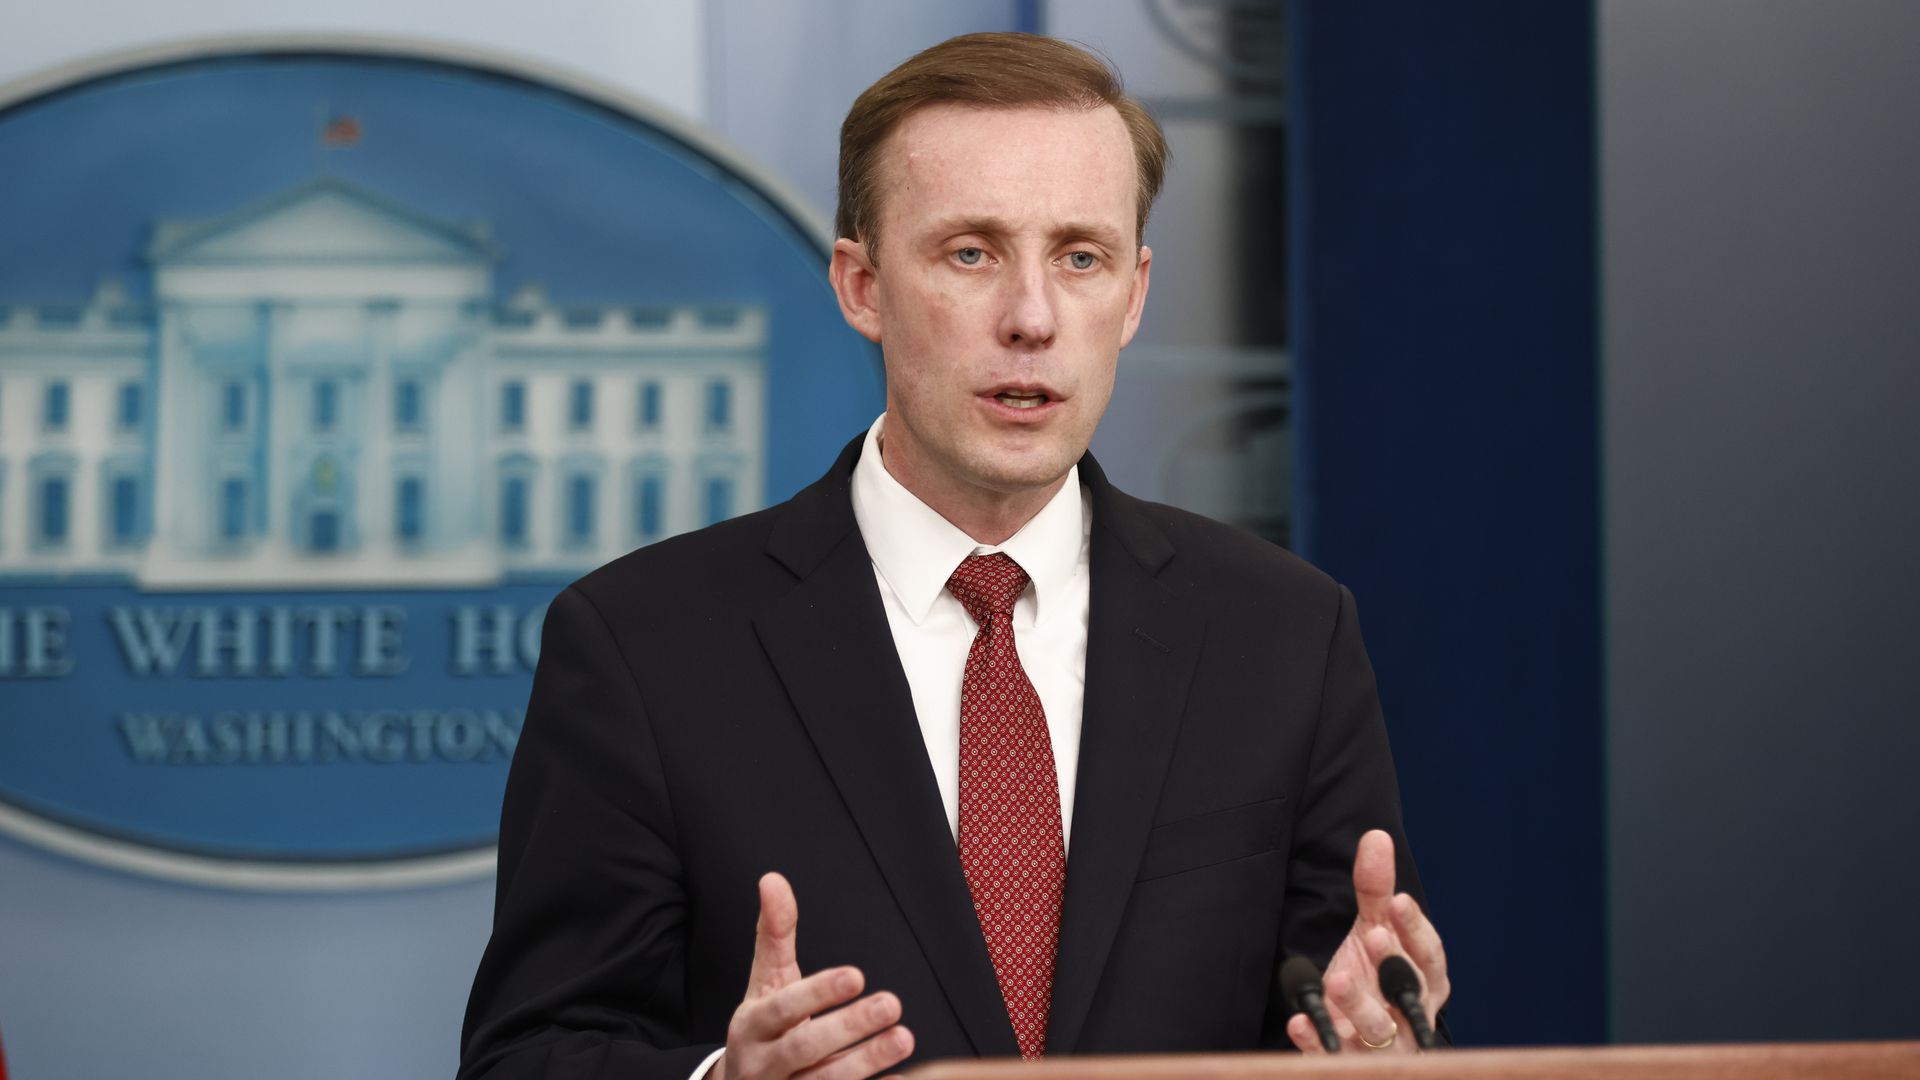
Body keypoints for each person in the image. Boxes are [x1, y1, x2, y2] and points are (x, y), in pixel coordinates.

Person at [458, 32, 1448, 1080]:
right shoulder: (643, 647)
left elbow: (1344, 1013)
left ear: (1136, 293)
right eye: (971, 253)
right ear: (862, 287)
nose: (1032, 318)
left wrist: (1386, 1051)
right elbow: (529, 1055)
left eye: (1080, 257)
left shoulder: (1285, 634)